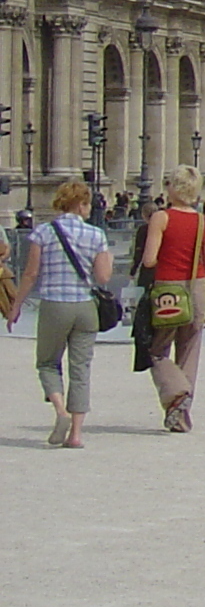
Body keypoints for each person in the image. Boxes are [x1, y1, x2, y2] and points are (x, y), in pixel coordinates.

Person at [20, 180, 110, 448]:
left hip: (55, 304)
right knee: (80, 369)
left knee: (47, 362)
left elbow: (31, 273)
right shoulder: (96, 235)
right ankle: (76, 434)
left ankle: (60, 411)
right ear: (81, 204)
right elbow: (103, 276)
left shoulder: (44, 233)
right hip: (85, 307)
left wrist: (16, 307)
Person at [138, 165, 205, 434]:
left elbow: (149, 259)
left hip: (168, 288)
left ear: (175, 188)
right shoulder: (203, 222)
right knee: (189, 350)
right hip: (197, 288)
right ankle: (181, 415)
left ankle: (177, 392)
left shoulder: (161, 218)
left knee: (157, 350)